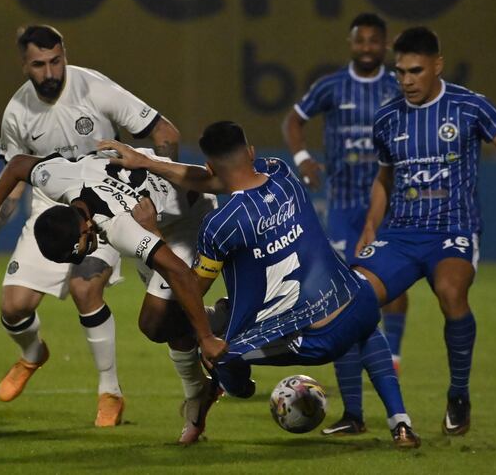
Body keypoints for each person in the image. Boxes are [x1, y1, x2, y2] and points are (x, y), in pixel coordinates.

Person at [103, 122, 421, 448]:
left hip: (314, 337)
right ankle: (401, 424)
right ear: (251, 152)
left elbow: (191, 291)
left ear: (211, 164)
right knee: (365, 319)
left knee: (220, 355)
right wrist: (148, 162)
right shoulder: (281, 172)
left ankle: (232, 387)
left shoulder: (221, 225)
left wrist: (153, 235)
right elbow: (214, 180)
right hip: (357, 303)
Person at [0, 25, 199, 431]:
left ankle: (110, 392)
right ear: (24, 64)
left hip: (104, 204)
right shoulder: (17, 112)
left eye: (56, 61)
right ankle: (32, 354)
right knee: (14, 307)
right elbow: (15, 178)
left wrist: (161, 195)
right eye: (39, 65)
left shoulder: (94, 89)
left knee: (87, 288)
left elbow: (165, 132)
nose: (50, 73)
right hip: (51, 205)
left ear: (65, 54)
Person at [350, 27, 496, 436]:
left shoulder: (470, 107)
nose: (407, 80)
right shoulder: (387, 117)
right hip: (400, 232)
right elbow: (385, 178)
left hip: (453, 228)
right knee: (354, 299)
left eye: (415, 71)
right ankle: (358, 413)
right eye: (400, 72)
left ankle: (458, 393)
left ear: (437, 65)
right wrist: (369, 225)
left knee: (451, 293)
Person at [0, 148, 228, 443]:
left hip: (188, 212)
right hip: (149, 209)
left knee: (156, 322)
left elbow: (179, 272)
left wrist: (205, 338)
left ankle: (218, 323)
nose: (87, 253)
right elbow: (18, 165)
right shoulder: (57, 180)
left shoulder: (119, 227)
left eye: (83, 248)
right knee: (169, 316)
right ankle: (200, 388)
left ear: (85, 227)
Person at [281, 12, 409, 435]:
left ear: (385, 45)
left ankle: (393, 358)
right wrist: (301, 159)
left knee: (388, 290)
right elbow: (294, 120)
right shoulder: (332, 86)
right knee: (338, 303)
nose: (368, 48)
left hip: (387, 206)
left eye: (375, 41)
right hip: (342, 207)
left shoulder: (398, 87)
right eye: (361, 41)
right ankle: (355, 411)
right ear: (351, 44)